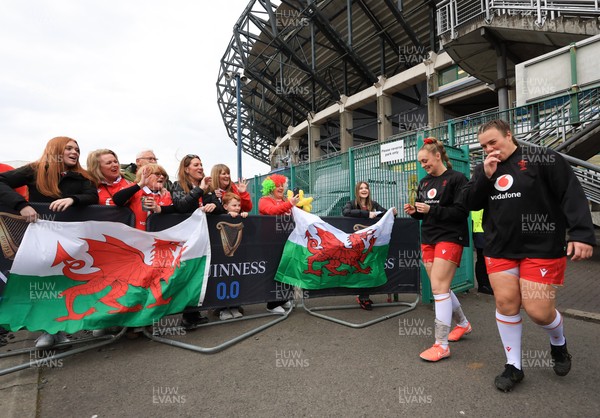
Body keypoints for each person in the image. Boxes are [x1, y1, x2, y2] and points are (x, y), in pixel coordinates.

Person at [462, 119, 595, 392]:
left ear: (508, 135)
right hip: (500, 247)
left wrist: (581, 233)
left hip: (541, 248)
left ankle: (558, 344)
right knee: (506, 303)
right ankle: (514, 366)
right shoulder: (484, 168)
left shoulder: (542, 158)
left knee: (538, 311)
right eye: (484, 146)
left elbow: (571, 192)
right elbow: (470, 204)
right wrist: (485, 177)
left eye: (493, 142)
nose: (489, 149)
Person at [0, 136, 98, 348]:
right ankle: (48, 330)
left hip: (71, 241)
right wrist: (21, 205)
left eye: (77, 149)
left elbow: (92, 196)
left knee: (65, 283)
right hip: (41, 239)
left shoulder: (83, 176)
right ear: (55, 150)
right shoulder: (34, 170)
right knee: (45, 283)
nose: (75, 152)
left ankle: (61, 329)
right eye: (69, 148)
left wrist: (73, 199)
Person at [403, 137, 472, 362]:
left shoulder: (457, 179)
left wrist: (431, 211)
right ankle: (463, 323)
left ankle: (441, 344)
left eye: (425, 160)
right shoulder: (423, 183)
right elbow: (424, 212)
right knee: (439, 287)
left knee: (439, 289)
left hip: (450, 236)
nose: (423, 165)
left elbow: (462, 212)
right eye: (421, 162)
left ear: (437, 155)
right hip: (429, 238)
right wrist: (415, 212)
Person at [342, 181, 397, 310]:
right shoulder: (352, 203)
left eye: (366, 188)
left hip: (371, 244)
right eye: (361, 188)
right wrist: (367, 214)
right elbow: (346, 212)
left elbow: (384, 214)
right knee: (358, 268)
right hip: (356, 243)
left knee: (368, 268)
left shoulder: (373, 204)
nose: (364, 190)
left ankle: (364, 297)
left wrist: (392, 212)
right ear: (357, 191)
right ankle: (361, 296)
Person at [258, 174, 298, 313]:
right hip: (270, 242)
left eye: (282, 185)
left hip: (287, 240)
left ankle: (284, 298)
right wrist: (290, 204)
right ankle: (272, 304)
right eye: (277, 185)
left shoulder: (286, 200)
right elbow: (272, 211)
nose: (280, 188)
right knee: (274, 270)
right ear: (270, 187)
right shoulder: (264, 200)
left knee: (286, 268)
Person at [215, 192, 249, 320]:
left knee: (237, 278)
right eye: (234, 205)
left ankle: (235, 306)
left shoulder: (241, 216)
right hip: (221, 257)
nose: (237, 208)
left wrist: (244, 216)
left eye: (239, 205)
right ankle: (223, 309)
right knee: (222, 279)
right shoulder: (220, 217)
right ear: (225, 206)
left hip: (238, 256)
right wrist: (227, 217)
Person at [112, 164, 175, 230]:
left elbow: (178, 210)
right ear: (145, 176)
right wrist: (141, 184)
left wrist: (159, 208)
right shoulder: (135, 189)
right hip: (137, 236)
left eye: (164, 175)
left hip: (160, 236)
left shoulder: (166, 194)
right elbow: (117, 200)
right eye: (157, 174)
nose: (162, 177)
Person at [471, 209, 493, 295]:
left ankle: (485, 284)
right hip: (480, 228)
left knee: (483, 258)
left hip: (482, 227)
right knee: (483, 258)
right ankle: (483, 285)